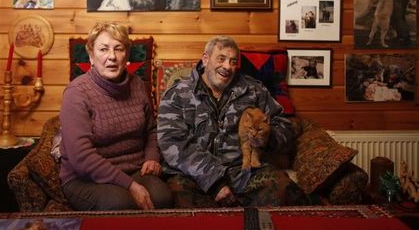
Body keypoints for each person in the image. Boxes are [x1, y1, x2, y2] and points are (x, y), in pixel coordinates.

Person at [157, 35, 298, 207]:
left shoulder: (253, 90)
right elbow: (173, 144)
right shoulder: (177, 95)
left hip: (243, 172)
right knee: (177, 193)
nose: (227, 67)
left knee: (282, 186)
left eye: (232, 61)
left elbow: (284, 125)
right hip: (194, 176)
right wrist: (214, 181)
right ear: (206, 59)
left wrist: (266, 137)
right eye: (221, 59)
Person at [59, 22, 172, 210]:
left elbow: (151, 129)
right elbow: (81, 158)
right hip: (85, 178)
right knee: (120, 205)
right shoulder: (76, 93)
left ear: (126, 54)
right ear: (91, 56)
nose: (111, 57)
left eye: (118, 49)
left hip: (133, 169)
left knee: (162, 198)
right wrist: (131, 186)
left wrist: (152, 157)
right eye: (103, 49)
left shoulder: (137, 84)